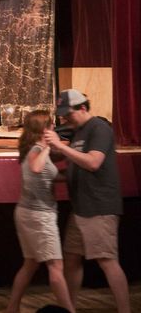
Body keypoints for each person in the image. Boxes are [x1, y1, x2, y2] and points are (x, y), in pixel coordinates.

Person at [45, 90, 129, 313]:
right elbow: (73, 166)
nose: (65, 119)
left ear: (83, 108)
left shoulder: (99, 129)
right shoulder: (78, 131)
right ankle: (69, 309)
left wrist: (61, 147)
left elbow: (93, 163)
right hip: (81, 207)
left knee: (107, 260)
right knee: (72, 258)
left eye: (68, 114)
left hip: (99, 207)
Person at [6, 110, 75, 313]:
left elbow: (47, 175)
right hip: (39, 216)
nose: (55, 129)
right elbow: (37, 168)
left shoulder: (30, 148)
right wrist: (49, 146)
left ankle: (12, 308)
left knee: (30, 264)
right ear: (44, 129)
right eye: (52, 126)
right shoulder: (37, 149)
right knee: (55, 267)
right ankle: (70, 311)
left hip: (28, 213)